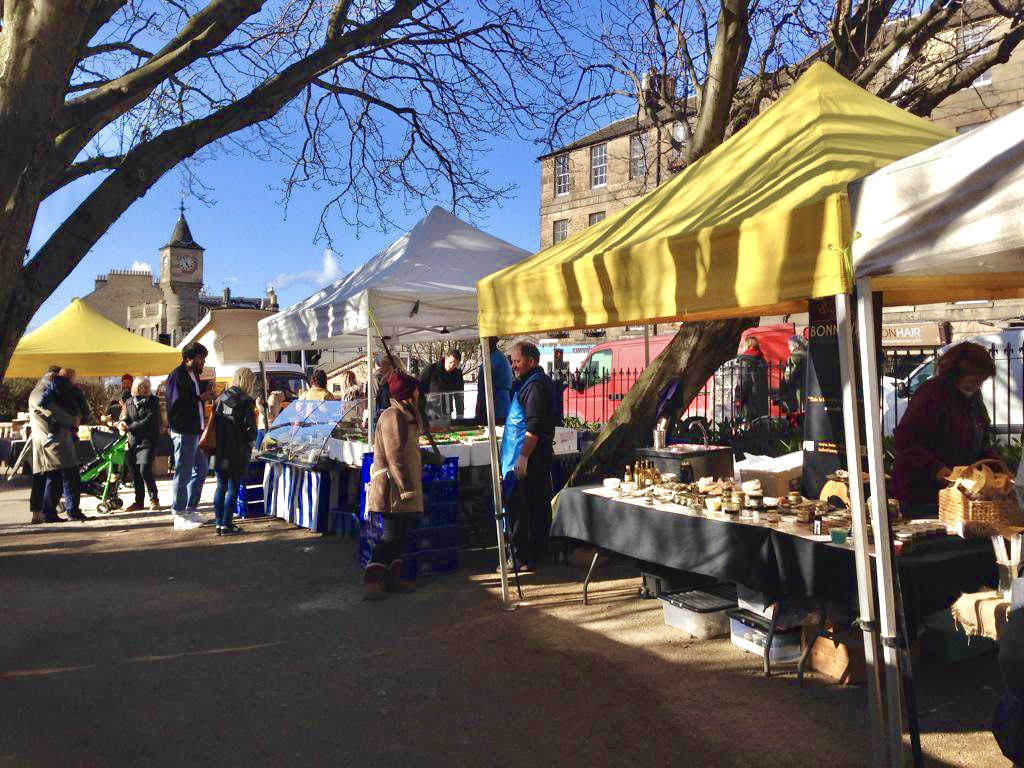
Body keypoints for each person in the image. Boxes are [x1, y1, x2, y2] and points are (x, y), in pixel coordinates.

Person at [893, 341, 1001, 517]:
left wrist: (999, 471)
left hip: (956, 495)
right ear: (957, 375)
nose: (977, 386)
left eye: (981, 382)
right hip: (921, 494)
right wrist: (938, 470)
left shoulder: (973, 398)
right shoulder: (931, 393)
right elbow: (906, 441)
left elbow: (981, 444)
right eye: (974, 380)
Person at [364, 371, 425, 600]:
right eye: (416, 390)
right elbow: (395, 456)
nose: (420, 393)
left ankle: (392, 579)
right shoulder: (393, 416)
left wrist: (427, 459)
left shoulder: (407, 415)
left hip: (400, 489)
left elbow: (408, 450)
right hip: (392, 491)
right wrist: (406, 488)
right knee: (390, 537)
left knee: (400, 536)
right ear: (408, 394)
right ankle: (372, 582)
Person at [502, 341, 559, 570]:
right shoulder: (528, 383)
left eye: (517, 361)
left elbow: (534, 425)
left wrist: (523, 456)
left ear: (532, 361)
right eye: (512, 362)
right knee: (536, 505)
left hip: (530, 456)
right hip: (530, 454)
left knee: (524, 507)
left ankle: (524, 556)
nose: (514, 366)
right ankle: (536, 553)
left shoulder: (535, 386)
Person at [166, 342, 217, 530]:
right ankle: (178, 512)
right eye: (201, 358)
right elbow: (175, 404)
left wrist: (204, 391)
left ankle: (189, 508)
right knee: (183, 472)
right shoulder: (177, 376)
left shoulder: (193, 375)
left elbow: (190, 395)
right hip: (183, 431)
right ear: (190, 357)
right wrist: (200, 398)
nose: (203, 361)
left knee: (201, 470)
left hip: (194, 430)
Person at [29, 366, 87, 522]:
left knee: (57, 477)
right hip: (53, 442)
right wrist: (73, 420)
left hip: (55, 441)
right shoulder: (42, 391)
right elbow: (51, 410)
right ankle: (63, 512)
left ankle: (53, 512)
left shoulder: (44, 389)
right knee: (67, 476)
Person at [211, 367, 258, 535]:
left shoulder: (220, 398)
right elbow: (250, 429)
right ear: (247, 381)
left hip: (219, 448)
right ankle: (227, 524)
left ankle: (218, 523)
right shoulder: (245, 401)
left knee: (220, 486)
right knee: (233, 487)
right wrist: (252, 441)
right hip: (237, 449)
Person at [121, 377, 161, 511]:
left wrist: (130, 427)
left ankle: (154, 499)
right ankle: (139, 502)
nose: (145, 389)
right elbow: (124, 418)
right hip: (132, 441)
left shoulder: (154, 401)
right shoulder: (128, 402)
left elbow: (149, 419)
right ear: (136, 387)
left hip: (148, 440)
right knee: (134, 473)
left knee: (145, 469)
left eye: (147, 386)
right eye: (142, 386)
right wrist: (122, 424)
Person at [474, 337, 513, 426]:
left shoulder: (490, 360)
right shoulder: (501, 357)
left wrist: (479, 414)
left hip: (494, 408)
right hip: (504, 407)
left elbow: (482, 389)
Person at [419, 349, 465, 420]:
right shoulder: (431, 369)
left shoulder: (457, 374)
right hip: (430, 412)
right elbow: (419, 389)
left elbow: (459, 396)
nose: (452, 366)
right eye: (451, 362)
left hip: (447, 412)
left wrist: (460, 415)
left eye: (455, 364)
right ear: (446, 358)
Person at [732, 336, 769, 421]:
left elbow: (742, 382)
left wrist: (738, 399)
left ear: (747, 346)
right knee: (760, 427)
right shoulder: (761, 360)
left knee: (749, 430)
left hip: (749, 402)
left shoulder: (745, 361)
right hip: (762, 403)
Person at [781, 335, 808, 414]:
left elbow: (788, 376)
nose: (789, 348)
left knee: (800, 416)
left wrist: (782, 389)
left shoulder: (795, 357)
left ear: (795, 345)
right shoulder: (809, 354)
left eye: (789, 345)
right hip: (810, 392)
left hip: (799, 393)